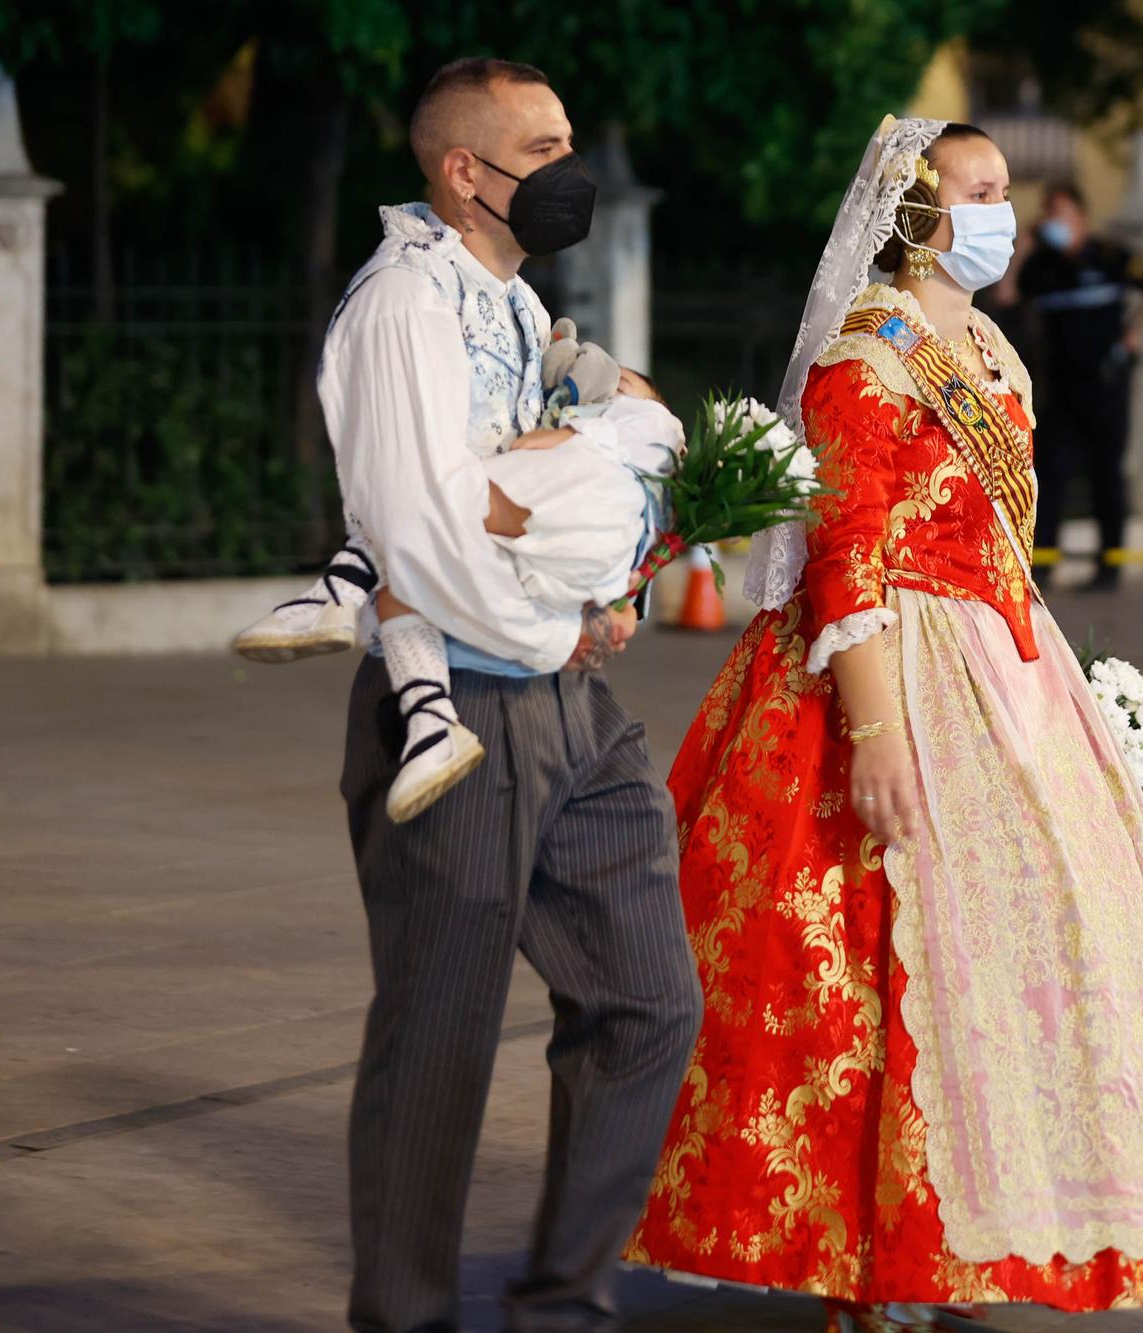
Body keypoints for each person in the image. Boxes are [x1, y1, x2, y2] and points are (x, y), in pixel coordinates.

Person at [626, 117, 1143, 1331]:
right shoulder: (866, 359)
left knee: (1027, 960)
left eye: (1004, 191)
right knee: (868, 974)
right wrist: (874, 735)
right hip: (883, 671)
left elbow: (1002, 545)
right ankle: (872, 1259)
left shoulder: (988, 345)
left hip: (998, 660)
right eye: (979, 190)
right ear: (916, 212)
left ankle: (976, 1233)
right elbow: (846, 558)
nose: (1001, 211)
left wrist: (1048, 685)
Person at [312, 58, 702, 1330]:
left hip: (570, 709)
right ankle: (406, 1314)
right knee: (439, 1035)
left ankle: (561, 1299)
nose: (568, 168)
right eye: (540, 148)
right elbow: (424, 532)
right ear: (461, 171)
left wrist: (596, 581)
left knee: (649, 998)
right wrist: (552, 596)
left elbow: (551, 489)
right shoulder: (400, 311)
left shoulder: (522, 309)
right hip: (454, 712)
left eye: (568, 139)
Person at [233, 345, 684, 823]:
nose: (613, 385)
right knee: (405, 593)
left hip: (535, 579)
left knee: (423, 504)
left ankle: (340, 593)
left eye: (625, 384)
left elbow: (543, 449)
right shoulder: (641, 477)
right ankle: (431, 726)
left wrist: (544, 439)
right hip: (524, 586)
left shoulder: (643, 427)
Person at [1016, 181, 1143, 592]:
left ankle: (1110, 566)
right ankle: (1044, 565)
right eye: (1050, 214)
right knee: (1047, 476)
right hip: (1057, 385)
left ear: (1081, 218)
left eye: (1062, 214)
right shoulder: (1042, 266)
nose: (1056, 222)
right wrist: (1027, 245)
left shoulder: (1109, 256)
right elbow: (1006, 291)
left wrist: (1136, 329)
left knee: (1107, 472)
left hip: (1106, 382)